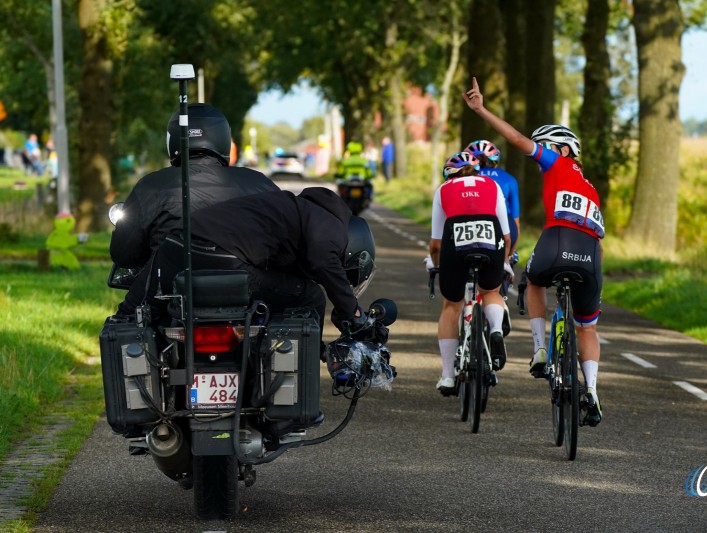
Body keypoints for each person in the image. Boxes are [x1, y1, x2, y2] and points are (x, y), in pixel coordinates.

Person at [463, 77, 605, 426]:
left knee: (535, 281)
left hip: (557, 240)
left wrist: (481, 110)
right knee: (587, 328)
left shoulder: (557, 163)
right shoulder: (593, 190)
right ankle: (593, 392)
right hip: (591, 254)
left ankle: (541, 349)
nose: (539, 153)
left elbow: (515, 139)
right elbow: (599, 240)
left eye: (545, 147)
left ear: (562, 149)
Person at [110, 103, 279, 320]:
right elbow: (282, 239)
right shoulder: (258, 183)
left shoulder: (150, 186)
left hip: (168, 290)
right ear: (224, 139)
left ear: (172, 140)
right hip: (248, 286)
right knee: (309, 298)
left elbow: (124, 254)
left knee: (124, 322)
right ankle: (325, 351)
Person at [147, 187, 375, 344]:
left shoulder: (296, 211)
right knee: (311, 297)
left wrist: (127, 313)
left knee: (143, 312)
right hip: (226, 258)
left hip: (178, 246)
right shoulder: (331, 224)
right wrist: (353, 313)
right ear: (352, 245)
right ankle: (305, 363)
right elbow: (324, 260)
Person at [425, 151, 513, 396]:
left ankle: (447, 377)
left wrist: (435, 263)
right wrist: (505, 261)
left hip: (456, 244)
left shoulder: (443, 190)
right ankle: (496, 329)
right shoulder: (493, 185)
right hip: (491, 241)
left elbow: (435, 243)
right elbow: (506, 237)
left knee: (451, 305)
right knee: (491, 291)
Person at [464, 140, 520, 258]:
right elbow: (516, 221)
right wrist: (510, 253)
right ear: (496, 161)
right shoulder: (510, 179)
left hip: (470, 223)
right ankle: (506, 266)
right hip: (504, 225)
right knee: (504, 262)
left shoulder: (464, 177)